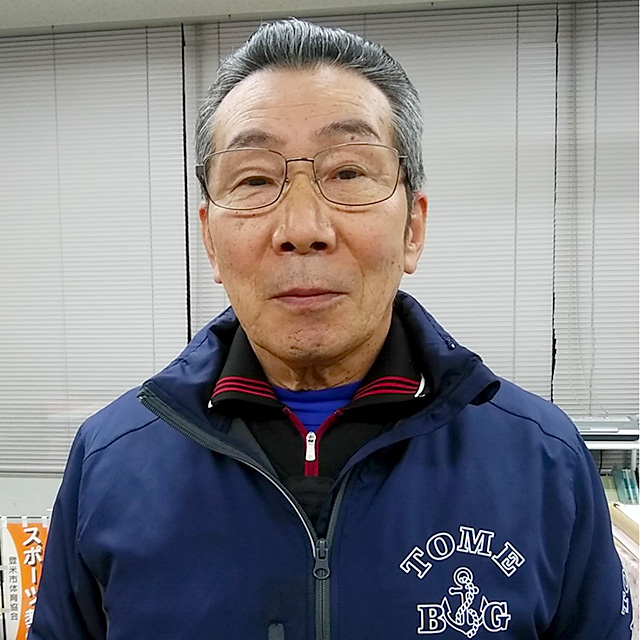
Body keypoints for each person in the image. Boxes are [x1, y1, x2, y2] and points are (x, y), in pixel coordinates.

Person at [30, 18, 631, 640]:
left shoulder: (542, 461)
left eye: (347, 173)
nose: (302, 228)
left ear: (413, 228)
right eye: (255, 179)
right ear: (210, 240)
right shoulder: (110, 458)